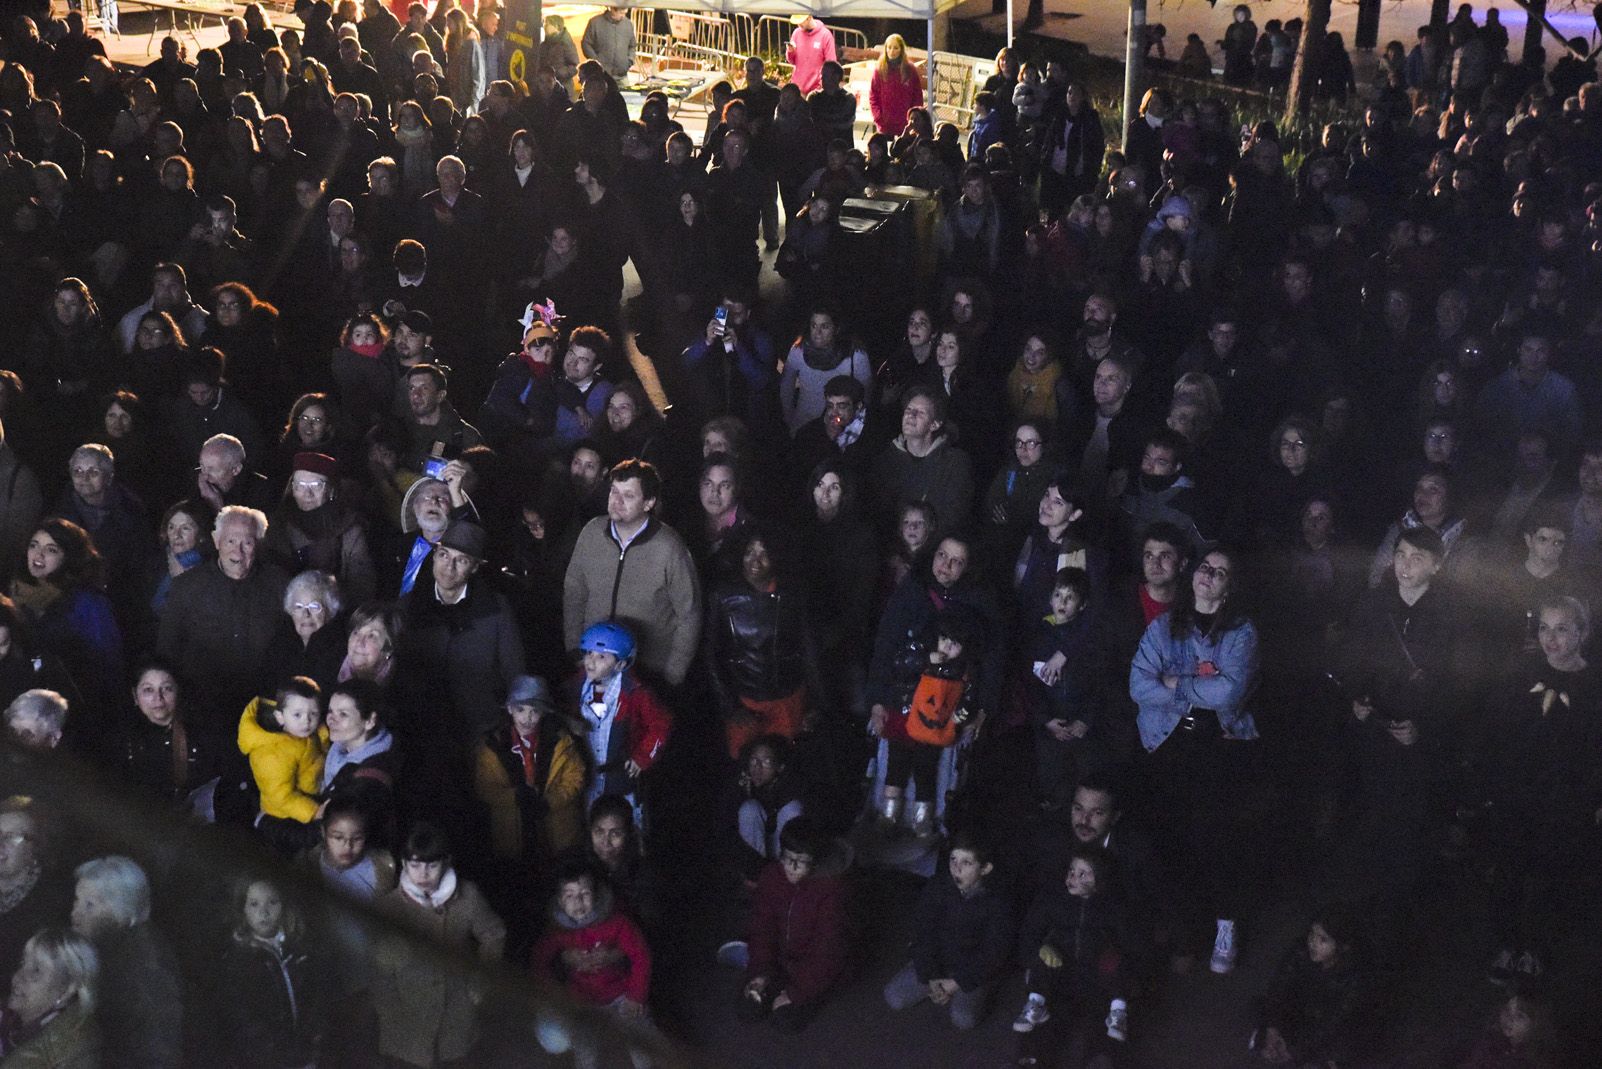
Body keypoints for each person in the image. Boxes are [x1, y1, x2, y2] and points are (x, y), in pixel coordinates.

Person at [1130, 547, 1258, 974]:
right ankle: (1184, 930)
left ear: (1229, 587)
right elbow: (1138, 686)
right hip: (1167, 741)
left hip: (1218, 743)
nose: (1208, 575)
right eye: (1205, 567)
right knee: (1170, 839)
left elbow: (1229, 692)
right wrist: (1197, 687)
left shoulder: (1241, 632)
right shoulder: (1164, 626)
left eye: (1219, 572)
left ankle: (1225, 926)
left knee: (1216, 838)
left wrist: (1175, 683)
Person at [371, 822, 506, 1068]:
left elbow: (494, 934)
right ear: (404, 864)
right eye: (415, 865)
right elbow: (379, 968)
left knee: (456, 1059)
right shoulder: (389, 907)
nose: (423, 875)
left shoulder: (468, 895)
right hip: (407, 1005)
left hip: (458, 1004)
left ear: (446, 862)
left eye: (432, 866)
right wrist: (388, 1008)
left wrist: (481, 978)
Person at [563, 459, 701, 687]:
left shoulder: (670, 547)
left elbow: (689, 614)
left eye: (628, 495)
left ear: (649, 502)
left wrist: (673, 675)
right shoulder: (591, 533)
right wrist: (574, 647)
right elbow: (574, 591)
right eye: (614, 492)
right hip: (592, 665)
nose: (616, 501)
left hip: (647, 676)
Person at [882, 832, 1013, 1031]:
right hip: (940, 961)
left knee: (963, 1019)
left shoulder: (998, 901)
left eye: (966, 863)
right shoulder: (938, 887)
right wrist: (931, 975)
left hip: (971, 967)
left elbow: (994, 951)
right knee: (894, 997)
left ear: (985, 868)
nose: (956, 868)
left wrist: (957, 982)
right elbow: (922, 932)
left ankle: (984, 988)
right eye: (953, 859)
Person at [1011, 844, 1133, 1056]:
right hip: (1060, 972)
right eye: (1071, 871)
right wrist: (1040, 950)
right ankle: (1036, 1005)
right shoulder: (1053, 901)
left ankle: (1117, 1013)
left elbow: (1130, 942)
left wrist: (1115, 957)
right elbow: (1029, 933)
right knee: (1044, 1032)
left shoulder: (1112, 907)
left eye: (1083, 874)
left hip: (1095, 976)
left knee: (1094, 1036)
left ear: (1100, 881)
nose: (1073, 877)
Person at [69, 856, 183, 1069]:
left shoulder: (139, 967)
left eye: (89, 905)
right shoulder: (107, 950)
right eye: (77, 900)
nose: (75, 913)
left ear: (122, 911)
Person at [738, 816, 848, 1032]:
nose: (791, 867)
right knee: (748, 1008)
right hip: (781, 962)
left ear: (816, 861)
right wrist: (761, 972)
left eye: (801, 861)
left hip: (814, 970)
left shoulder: (832, 889)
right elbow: (761, 927)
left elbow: (828, 952)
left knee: (785, 1020)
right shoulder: (772, 876)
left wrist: (795, 993)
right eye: (787, 858)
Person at [473, 673, 587, 869]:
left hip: (557, 833)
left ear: (544, 713)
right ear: (510, 709)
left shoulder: (561, 742)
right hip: (512, 834)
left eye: (535, 711)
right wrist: (516, 797)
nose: (527, 718)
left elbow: (575, 778)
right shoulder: (493, 746)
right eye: (521, 710)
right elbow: (485, 787)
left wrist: (549, 801)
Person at [215, 877, 325, 1068]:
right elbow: (244, 1021)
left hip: (307, 1057)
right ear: (243, 909)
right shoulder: (238, 961)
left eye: (272, 902)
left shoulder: (300, 950)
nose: (263, 912)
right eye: (254, 904)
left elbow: (316, 1001)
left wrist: (313, 1046)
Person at [531, 860, 651, 1027]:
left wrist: (635, 997)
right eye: (569, 896)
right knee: (554, 1030)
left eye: (585, 894)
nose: (578, 902)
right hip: (578, 999)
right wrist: (551, 991)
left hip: (618, 995)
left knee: (642, 1031)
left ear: (596, 895)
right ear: (560, 901)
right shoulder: (557, 929)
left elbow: (641, 955)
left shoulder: (617, 923)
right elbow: (539, 959)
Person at [1250, 908, 1377, 1066]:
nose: (1313, 943)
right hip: (1302, 1011)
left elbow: (1336, 1020)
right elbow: (1279, 988)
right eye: (1312, 934)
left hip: (1326, 1023)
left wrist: (1294, 1050)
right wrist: (1272, 1028)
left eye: (1323, 939)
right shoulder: (1300, 952)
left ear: (1343, 946)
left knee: (1348, 1043)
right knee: (1260, 1008)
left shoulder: (1355, 976)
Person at [573, 621, 672, 814]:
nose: (591, 661)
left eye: (601, 656)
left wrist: (642, 757)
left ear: (620, 664)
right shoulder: (576, 686)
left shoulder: (636, 692)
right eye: (589, 653)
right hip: (586, 779)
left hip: (620, 778)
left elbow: (661, 725)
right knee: (589, 820)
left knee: (624, 819)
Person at [238, 675, 329, 855]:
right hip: (283, 816)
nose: (306, 721)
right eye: (297, 715)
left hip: (308, 797)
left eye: (313, 714)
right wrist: (314, 811)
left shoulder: (305, 734)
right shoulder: (272, 752)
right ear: (280, 717)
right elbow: (281, 797)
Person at [1, 928, 101, 1069]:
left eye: (36, 971)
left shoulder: (67, 1055)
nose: (17, 977)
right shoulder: (10, 1020)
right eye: (23, 963)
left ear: (66, 991)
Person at [869, 34, 922, 136]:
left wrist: (914, 119)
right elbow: (873, 95)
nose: (892, 51)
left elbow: (917, 96)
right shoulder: (879, 69)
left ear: (901, 50)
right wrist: (878, 117)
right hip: (885, 124)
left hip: (905, 124)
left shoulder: (910, 69)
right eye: (889, 47)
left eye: (896, 48)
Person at [786, 13, 836, 97]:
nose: (799, 24)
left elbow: (831, 64)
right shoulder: (796, 33)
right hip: (797, 88)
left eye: (801, 21)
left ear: (809, 18)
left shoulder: (825, 35)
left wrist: (823, 85)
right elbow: (791, 61)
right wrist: (790, 51)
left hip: (816, 90)